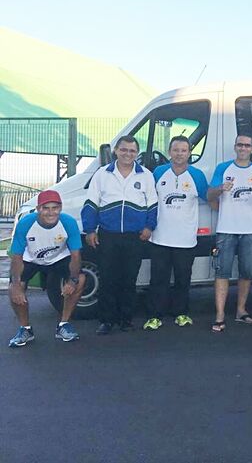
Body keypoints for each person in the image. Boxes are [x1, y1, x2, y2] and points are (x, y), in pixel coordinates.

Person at [82, 135, 158, 334]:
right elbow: (91, 203)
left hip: (135, 237)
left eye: (132, 151)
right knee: (108, 279)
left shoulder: (146, 175)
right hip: (108, 235)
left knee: (129, 279)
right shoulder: (102, 174)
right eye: (124, 150)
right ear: (116, 150)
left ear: (137, 153)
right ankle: (107, 321)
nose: (127, 154)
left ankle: (126, 320)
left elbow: (153, 205)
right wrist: (90, 229)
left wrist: (149, 227)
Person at [207, 134, 252, 332]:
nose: (243, 148)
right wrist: (220, 189)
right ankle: (219, 315)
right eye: (240, 145)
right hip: (226, 228)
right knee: (222, 272)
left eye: (247, 145)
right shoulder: (223, 168)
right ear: (235, 147)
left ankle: (241, 310)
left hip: (250, 229)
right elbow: (209, 195)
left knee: (247, 272)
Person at [144, 136, 209, 331]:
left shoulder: (197, 175)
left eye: (183, 150)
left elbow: (210, 198)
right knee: (158, 279)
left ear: (189, 153)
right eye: (175, 150)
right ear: (169, 152)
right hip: (160, 237)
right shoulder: (158, 172)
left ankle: (181, 313)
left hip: (186, 239)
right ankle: (155, 316)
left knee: (183, 279)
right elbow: (149, 200)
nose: (179, 154)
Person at [8, 190, 86, 346]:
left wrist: (72, 280)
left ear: (61, 208)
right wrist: (16, 285)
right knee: (14, 288)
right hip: (31, 259)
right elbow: (16, 257)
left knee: (81, 280)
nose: (51, 212)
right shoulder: (26, 223)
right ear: (38, 209)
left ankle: (64, 324)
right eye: (46, 208)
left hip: (59, 258)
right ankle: (25, 329)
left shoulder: (69, 222)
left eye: (55, 208)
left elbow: (76, 255)